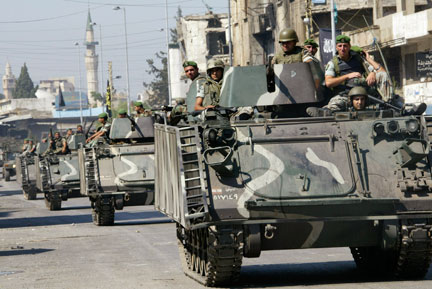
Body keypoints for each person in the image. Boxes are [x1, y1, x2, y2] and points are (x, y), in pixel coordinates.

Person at [324, 35, 389, 112]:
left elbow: (382, 72)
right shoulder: (332, 63)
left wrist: (372, 72)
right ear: (336, 47)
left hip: (365, 94)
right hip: (346, 96)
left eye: (345, 46)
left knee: (383, 75)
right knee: (333, 106)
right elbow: (328, 83)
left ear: (349, 47)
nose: (342, 49)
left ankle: (387, 103)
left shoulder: (358, 59)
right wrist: (348, 76)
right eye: (340, 46)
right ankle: (323, 110)